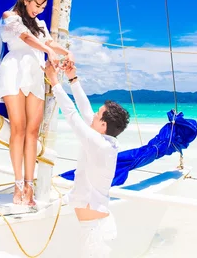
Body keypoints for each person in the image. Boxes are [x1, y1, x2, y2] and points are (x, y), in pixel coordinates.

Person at [0, 0, 74, 206]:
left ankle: (30, 187)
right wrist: (49, 49)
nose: (39, 10)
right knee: (18, 128)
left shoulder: (39, 24)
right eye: (37, 5)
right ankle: (17, 185)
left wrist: (67, 53)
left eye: (43, 6)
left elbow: (50, 43)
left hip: (34, 77)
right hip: (14, 72)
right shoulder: (10, 17)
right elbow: (26, 38)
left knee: (32, 132)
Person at [45, 60, 129, 258]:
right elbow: (84, 110)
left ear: (103, 125)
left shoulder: (98, 144)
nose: (92, 115)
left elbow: (72, 114)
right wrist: (73, 79)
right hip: (97, 226)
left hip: (96, 231)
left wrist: (55, 82)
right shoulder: (104, 139)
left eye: (98, 114)